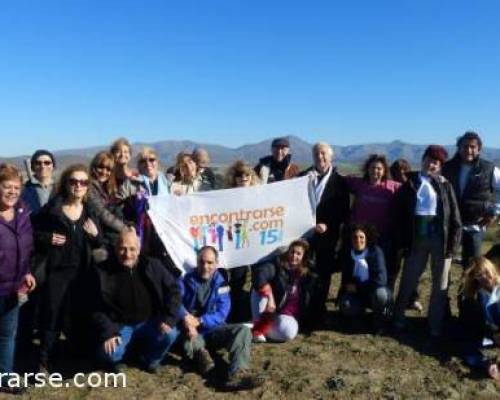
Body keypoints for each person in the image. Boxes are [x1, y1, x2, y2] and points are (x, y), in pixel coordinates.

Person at [33, 164, 103, 370]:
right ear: (65, 183)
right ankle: (45, 360)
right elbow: (31, 230)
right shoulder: (53, 209)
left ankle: (77, 356)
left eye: (83, 182)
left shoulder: (90, 211)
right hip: (57, 273)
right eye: (73, 181)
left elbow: (100, 242)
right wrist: (47, 238)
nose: (78, 186)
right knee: (52, 316)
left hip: (82, 273)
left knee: (79, 316)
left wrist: (96, 235)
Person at [393, 145, 462, 342]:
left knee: (440, 284)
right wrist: (402, 241)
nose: (432, 165)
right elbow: (399, 215)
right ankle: (397, 319)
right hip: (417, 238)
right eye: (430, 160)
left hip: (442, 238)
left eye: (436, 162)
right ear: (423, 159)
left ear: (440, 166)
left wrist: (453, 245)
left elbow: (455, 218)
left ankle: (435, 326)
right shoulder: (410, 184)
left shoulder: (445, 185)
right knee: (408, 279)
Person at [91, 228, 181, 373]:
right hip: (121, 326)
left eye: (132, 249)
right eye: (123, 249)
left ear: (139, 250)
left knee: (170, 334)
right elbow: (95, 307)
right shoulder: (102, 271)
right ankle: (122, 358)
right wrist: (108, 332)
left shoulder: (153, 265)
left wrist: (169, 318)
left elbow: (174, 290)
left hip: (150, 322)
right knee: (109, 353)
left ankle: (151, 360)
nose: (127, 254)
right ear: (115, 249)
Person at [177, 246, 263, 391]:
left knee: (242, 331)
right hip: (191, 331)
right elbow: (174, 302)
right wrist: (186, 318)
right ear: (197, 262)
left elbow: (223, 312)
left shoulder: (221, 283)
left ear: (216, 263)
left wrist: (201, 320)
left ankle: (238, 372)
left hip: (213, 329)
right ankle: (208, 368)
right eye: (202, 262)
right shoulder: (186, 279)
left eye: (210, 263)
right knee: (190, 343)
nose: (205, 266)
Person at [301, 142, 350, 323]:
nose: (320, 157)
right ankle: (302, 309)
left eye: (323, 154)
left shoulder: (340, 182)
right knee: (304, 273)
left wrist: (328, 224)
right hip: (304, 235)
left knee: (323, 275)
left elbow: (343, 210)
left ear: (330, 157)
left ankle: (318, 312)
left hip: (327, 236)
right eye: (316, 154)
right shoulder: (302, 178)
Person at [0, 164, 36, 394]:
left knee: (6, 335)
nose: (12, 191)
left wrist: (27, 272)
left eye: (16, 187)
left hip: (14, 288)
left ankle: (5, 377)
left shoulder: (23, 212)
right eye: (6, 187)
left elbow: (27, 248)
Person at [442, 131, 500, 267]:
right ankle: (442, 289)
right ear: (459, 148)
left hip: (475, 225)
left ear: (479, 149)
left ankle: (468, 289)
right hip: (449, 223)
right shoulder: (447, 168)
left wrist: (494, 212)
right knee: (444, 264)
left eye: (473, 147)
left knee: (472, 266)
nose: (469, 150)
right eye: (465, 146)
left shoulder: (489, 169)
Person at [251, 239, 319, 342]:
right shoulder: (277, 265)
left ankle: (256, 329)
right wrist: (269, 295)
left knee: (288, 332)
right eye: (292, 251)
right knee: (258, 291)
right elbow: (260, 275)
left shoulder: (308, 274)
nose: (294, 256)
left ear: (303, 257)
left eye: (298, 254)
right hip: (271, 309)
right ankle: (259, 328)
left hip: (288, 315)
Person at [223, 161, 260, 322]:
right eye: (239, 175)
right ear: (234, 178)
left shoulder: (260, 195)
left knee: (258, 278)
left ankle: (252, 311)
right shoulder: (227, 196)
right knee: (238, 279)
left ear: (252, 177)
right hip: (235, 243)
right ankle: (233, 313)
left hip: (256, 242)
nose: (243, 178)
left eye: (246, 174)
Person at [337, 224, 392, 332]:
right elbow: (345, 278)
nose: (358, 240)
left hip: (373, 291)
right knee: (346, 305)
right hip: (356, 294)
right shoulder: (347, 254)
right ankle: (359, 317)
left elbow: (381, 280)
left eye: (361, 237)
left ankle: (379, 319)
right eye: (355, 237)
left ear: (367, 238)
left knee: (380, 295)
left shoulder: (375, 252)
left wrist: (358, 287)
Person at [389, 158, 422, 311]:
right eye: (397, 171)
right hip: (395, 235)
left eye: (403, 170)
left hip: (413, 235)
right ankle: (388, 298)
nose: (401, 174)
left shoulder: (415, 187)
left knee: (413, 271)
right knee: (393, 269)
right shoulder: (391, 188)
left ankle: (412, 298)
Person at [459, 257, 500, 379]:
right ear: (474, 278)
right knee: (469, 354)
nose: (486, 277)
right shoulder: (473, 297)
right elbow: (476, 325)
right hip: (485, 334)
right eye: (480, 275)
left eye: (487, 272)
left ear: (492, 269)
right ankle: (489, 364)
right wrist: (494, 333)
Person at [88, 151, 126, 245]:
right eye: (100, 167)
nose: (104, 172)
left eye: (108, 169)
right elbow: (102, 213)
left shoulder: (106, 188)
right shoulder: (89, 187)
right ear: (94, 167)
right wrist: (125, 229)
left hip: (104, 233)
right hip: (94, 237)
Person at [21, 149, 56, 215]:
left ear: (53, 166)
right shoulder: (23, 190)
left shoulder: (61, 188)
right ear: (32, 167)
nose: (42, 166)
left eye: (47, 163)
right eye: (38, 163)